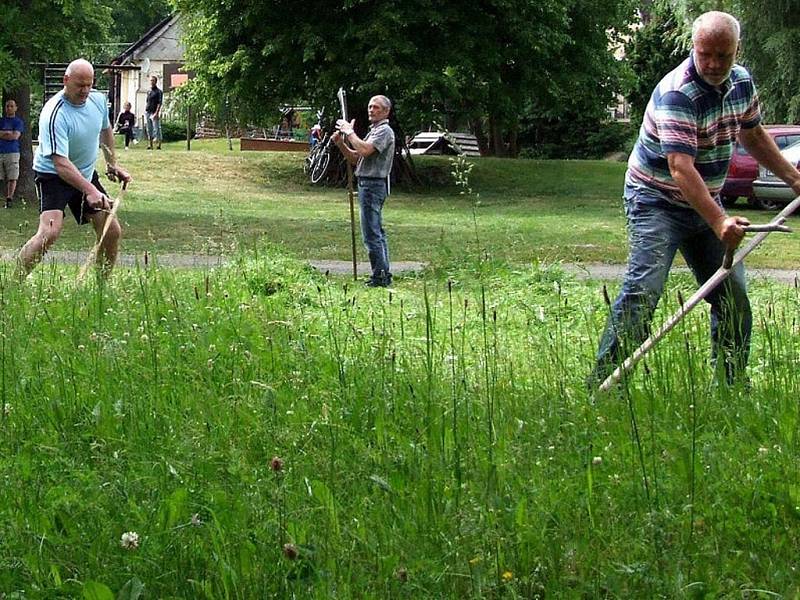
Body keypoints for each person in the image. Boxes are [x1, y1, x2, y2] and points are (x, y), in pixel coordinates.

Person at [591, 11, 800, 388]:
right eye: (706, 54)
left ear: (738, 50)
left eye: (724, 55)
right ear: (694, 47)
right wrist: (719, 221)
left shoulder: (742, 83)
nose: (714, 64)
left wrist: (793, 178)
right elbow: (680, 168)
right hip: (656, 201)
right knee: (644, 291)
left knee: (733, 297)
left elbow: (752, 135)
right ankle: (605, 385)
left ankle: (731, 386)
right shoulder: (678, 93)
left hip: (706, 200)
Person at [18, 58, 132, 279]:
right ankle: (12, 285)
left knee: (111, 230)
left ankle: (100, 289)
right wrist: (90, 191)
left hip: (85, 173)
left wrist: (112, 165)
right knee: (49, 232)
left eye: (89, 84)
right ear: (66, 80)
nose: (85, 90)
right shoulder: (54, 113)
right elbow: (60, 164)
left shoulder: (97, 100)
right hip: (54, 176)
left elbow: (105, 130)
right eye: (80, 85)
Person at [0, 99, 24, 208]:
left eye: (11, 106)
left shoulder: (18, 122)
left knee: (12, 177)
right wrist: (7, 133)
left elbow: (15, 136)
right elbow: (10, 134)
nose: (9, 108)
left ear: (15, 108)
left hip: (12, 152)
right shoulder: (1, 121)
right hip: (1, 151)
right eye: (7, 106)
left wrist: (4, 134)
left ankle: (9, 199)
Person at [145, 75, 163, 150]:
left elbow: (159, 103)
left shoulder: (158, 92)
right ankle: (150, 144)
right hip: (148, 111)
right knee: (149, 129)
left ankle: (158, 144)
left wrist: (156, 112)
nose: (151, 82)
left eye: (153, 80)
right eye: (151, 80)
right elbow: (147, 101)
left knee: (156, 128)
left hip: (154, 112)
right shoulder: (149, 91)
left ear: (156, 82)